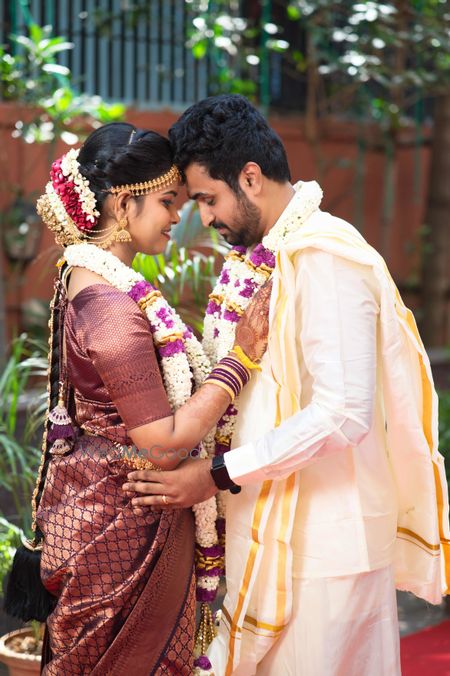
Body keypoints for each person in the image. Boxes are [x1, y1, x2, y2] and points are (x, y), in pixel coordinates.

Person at [124, 95, 450, 675]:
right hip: (273, 524)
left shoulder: (324, 256)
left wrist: (215, 474)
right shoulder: (261, 255)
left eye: (208, 198)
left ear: (250, 178)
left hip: (326, 548)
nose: (204, 217)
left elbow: (342, 413)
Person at [4, 121, 271, 675]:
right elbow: (161, 444)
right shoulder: (110, 308)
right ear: (124, 205)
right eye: (168, 202)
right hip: (125, 530)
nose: (178, 217)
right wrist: (240, 360)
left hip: (103, 510)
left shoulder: (86, 279)